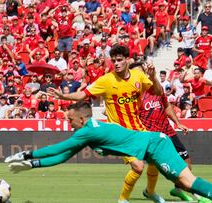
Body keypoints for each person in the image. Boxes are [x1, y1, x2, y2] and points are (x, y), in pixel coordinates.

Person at [5, 102, 212, 203]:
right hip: (151, 147)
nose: (68, 123)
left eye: (70, 119)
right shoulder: (89, 130)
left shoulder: (86, 132)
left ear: (81, 119)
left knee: (188, 181)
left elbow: (58, 149)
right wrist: (32, 165)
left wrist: (26, 155)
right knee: (187, 182)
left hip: (155, 145)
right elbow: (63, 156)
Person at [48, 45, 164, 203]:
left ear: (127, 60)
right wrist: (63, 96)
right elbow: (83, 94)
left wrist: (154, 77)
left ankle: (150, 192)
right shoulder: (106, 80)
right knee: (137, 166)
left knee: (155, 160)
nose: (116, 63)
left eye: (120, 60)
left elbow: (157, 92)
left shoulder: (138, 76)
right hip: (120, 133)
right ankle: (122, 200)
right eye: (114, 60)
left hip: (139, 129)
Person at [133, 63, 211, 202]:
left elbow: (167, 107)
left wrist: (178, 123)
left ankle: (176, 189)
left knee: (187, 163)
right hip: (154, 137)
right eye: (135, 74)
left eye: (140, 72)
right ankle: (198, 196)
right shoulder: (133, 94)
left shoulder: (155, 88)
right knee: (171, 168)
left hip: (168, 131)